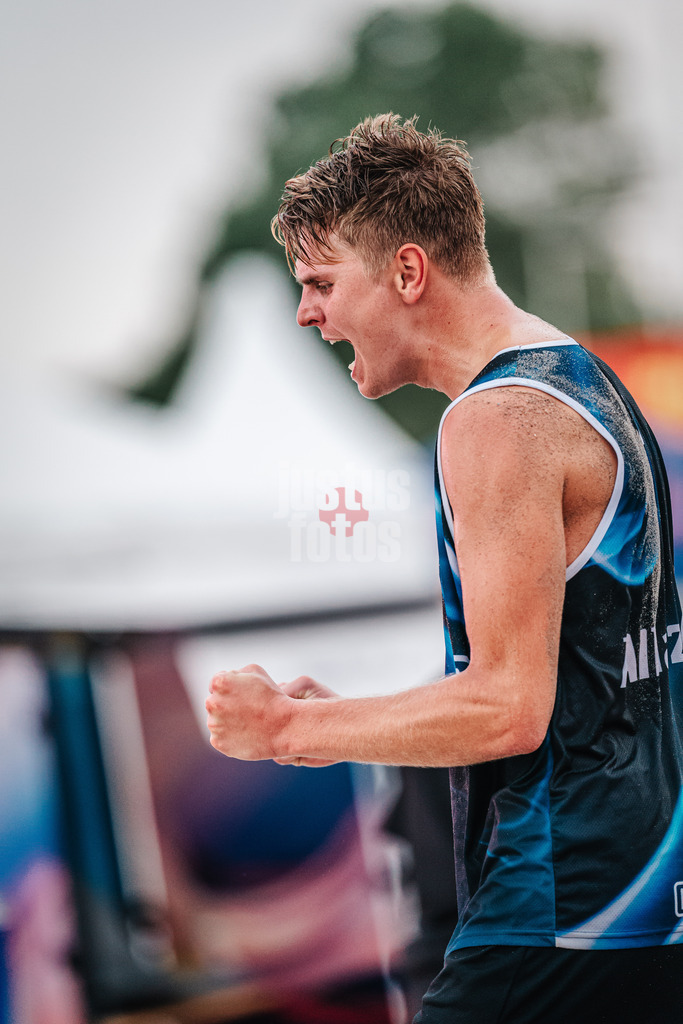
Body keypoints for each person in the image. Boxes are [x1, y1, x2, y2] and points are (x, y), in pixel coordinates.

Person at [206, 114, 683, 1023]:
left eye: (319, 283)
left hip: (556, 908)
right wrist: (341, 716)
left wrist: (284, 732)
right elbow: (581, 679)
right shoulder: (585, 380)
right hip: (638, 900)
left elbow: (507, 707)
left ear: (408, 272)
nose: (307, 313)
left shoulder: (495, 421)